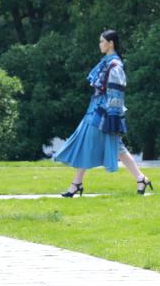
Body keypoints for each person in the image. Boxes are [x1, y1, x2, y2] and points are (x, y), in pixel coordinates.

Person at [55, 30, 153, 196]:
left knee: (98, 143)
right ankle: (140, 179)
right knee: (107, 144)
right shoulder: (106, 63)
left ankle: (76, 184)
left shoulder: (114, 65)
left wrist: (113, 117)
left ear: (110, 43)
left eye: (102, 41)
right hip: (95, 109)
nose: (99, 44)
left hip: (103, 112)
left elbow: (116, 94)